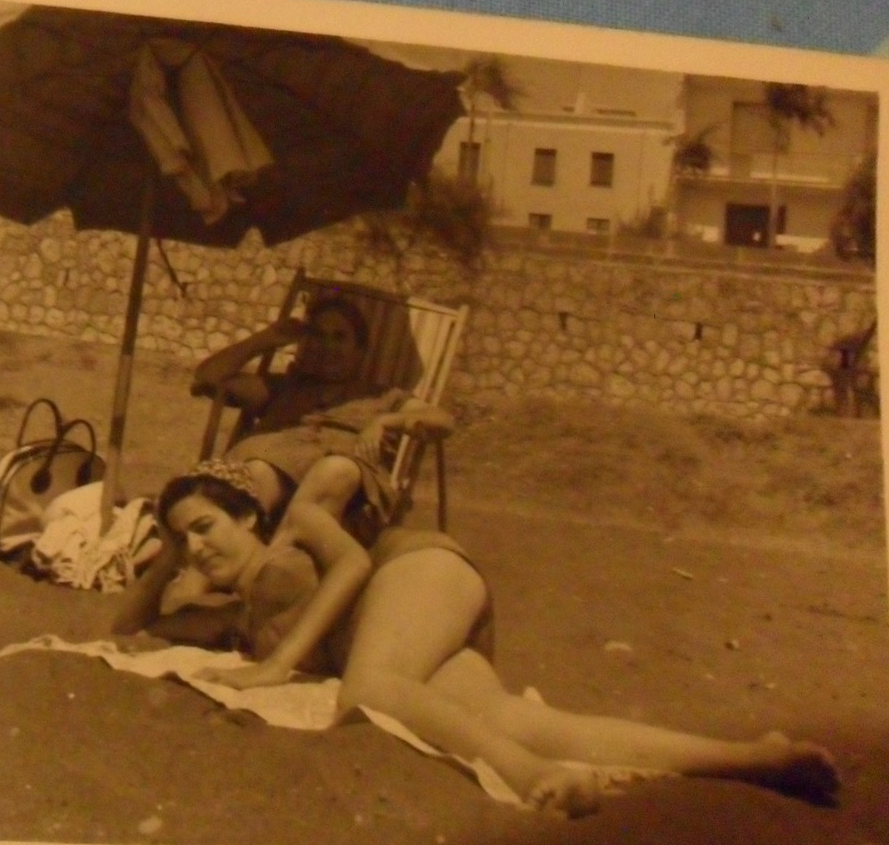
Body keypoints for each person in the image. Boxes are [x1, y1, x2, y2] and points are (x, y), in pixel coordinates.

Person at [114, 459, 842, 818]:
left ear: (246, 515)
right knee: (515, 719)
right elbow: (125, 626)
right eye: (182, 542)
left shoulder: (298, 523)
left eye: (206, 526)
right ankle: (756, 760)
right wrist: (167, 550)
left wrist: (278, 665)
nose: (197, 549)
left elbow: (356, 563)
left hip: (414, 571)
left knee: (368, 692)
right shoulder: (233, 612)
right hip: (406, 633)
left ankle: (532, 781)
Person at [192, 294, 453, 538]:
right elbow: (208, 376)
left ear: (360, 349)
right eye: (318, 335)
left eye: (340, 337)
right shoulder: (285, 387)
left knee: (323, 471)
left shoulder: (382, 397)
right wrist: (267, 338)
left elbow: (443, 420)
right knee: (258, 471)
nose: (328, 346)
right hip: (261, 479)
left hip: (339, 491)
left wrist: (383, 421)